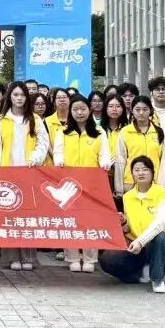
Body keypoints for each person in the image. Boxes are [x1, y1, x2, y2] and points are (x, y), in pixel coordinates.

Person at [0, 81, 49, 270]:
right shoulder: (1, 119)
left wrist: (35, 159)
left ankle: (28, 257)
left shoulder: (35, 119)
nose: (19, 98)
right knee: (10, 216)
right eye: (15, 95)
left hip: (29, 172)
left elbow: (43, 143)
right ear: (9, 97)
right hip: (7, 173)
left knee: (28, 216)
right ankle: (12, 256)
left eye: (22, 95)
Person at [99, 156, 165, 294]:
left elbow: (161, 223)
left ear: (152, 172)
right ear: (132, 174)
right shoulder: (128, 197)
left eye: (145, 169)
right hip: (137, 247)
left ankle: (157, 279)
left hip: (160, 246)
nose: (141, 173)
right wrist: (123, 223)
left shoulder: (164, 195)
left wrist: (141, 242)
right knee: (108, 259)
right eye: (136, 170)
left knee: (159, 237)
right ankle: (141, 273)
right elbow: (129, 229)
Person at [52, 95, 112, 273]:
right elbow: (58, 152)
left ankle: (90, 258)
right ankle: (72, 257)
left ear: (89, 110)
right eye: (76, 109)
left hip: (91, 184)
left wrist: (105, 163)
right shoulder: (63, 132)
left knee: (90, 222)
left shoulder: (99, 132)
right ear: (70, 111)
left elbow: (104, 154)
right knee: (70, 221)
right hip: (68, 185)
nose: (79, 113)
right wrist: (59, 161)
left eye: (83, 109)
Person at [113, 96, 165, 195]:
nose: (141, 113)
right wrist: (119, 188)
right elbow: (120, 160)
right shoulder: (125, 132)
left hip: (155, 184)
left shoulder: (159, 132)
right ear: (132, 110)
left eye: (145, 109)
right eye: (137, 109)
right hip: (131, 183)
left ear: (150, 110)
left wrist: (163, 185)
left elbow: (164, 160)